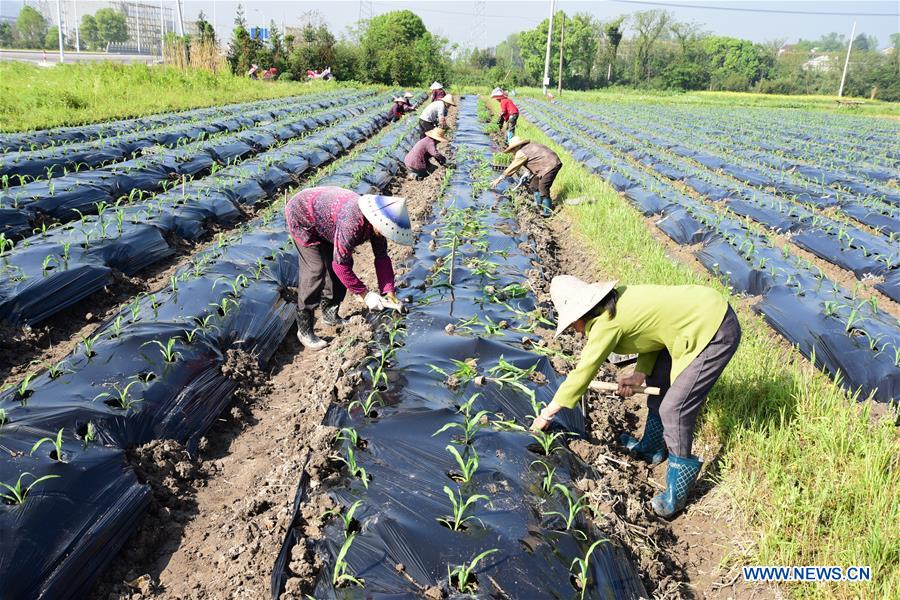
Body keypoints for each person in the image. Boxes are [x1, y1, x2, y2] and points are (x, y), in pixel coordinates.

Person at [532, 275, 742, 518]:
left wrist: (547, 413)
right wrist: (639, 374)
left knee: (675, 408)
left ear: (581, 314)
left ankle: (677, 494)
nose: (576, 331)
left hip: (713, 327)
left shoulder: (606, 323)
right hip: (688, 322)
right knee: (658, 378)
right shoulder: (616, 302)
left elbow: (583, 373)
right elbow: (652, 333)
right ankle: (653, 448)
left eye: (572, 325)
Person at [284, 187, 414, 349]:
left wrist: (389, 293)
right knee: (316, 269)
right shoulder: (353, 222)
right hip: (302, 216)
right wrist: (365, 294)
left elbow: (382, 258)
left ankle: (330, 313)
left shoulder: (378, 224)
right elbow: (340, 266)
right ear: (378, 221)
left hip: (326, 221)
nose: (385, 234)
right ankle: (304, 329)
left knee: (341, 263)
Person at [490, 136, 561, 218]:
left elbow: (512, 167)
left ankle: (547, 211)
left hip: (551, 165)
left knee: (543, 187)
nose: (512, 152)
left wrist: (499, 179)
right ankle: (538, 205)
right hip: (543, 166)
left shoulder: (521, 153)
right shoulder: (529, 147)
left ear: (517, 147)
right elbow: (535, 160)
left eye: (513, 150)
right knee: (533, 185)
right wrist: (527, 174)